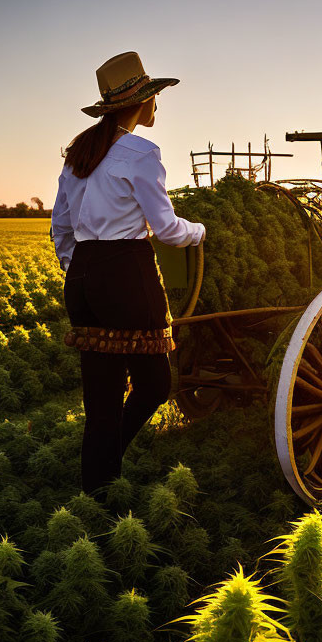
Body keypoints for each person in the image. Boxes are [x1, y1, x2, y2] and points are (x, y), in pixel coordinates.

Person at [51, 51, 206, 498]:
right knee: (156, 384)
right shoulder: (141, 152)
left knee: (101, 399)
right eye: (155, 97)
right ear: (141, 103)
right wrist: (200, 231)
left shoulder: (80, 153)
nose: (157, 105)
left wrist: (79, 268)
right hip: (126, 274)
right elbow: (167, 230)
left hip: (82, 276)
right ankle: (107, 468)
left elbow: (60, 226)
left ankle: (97, 486)